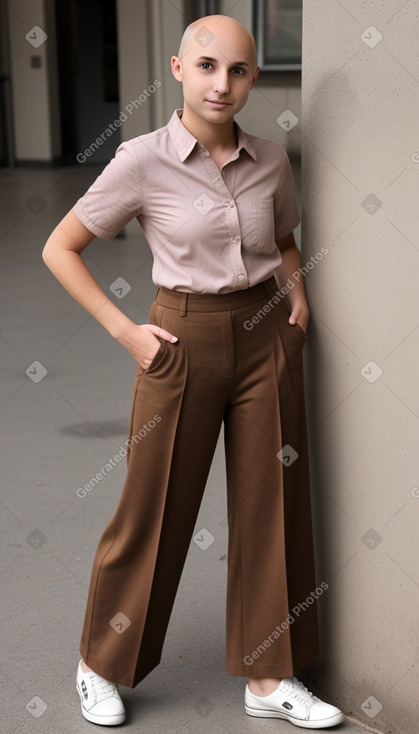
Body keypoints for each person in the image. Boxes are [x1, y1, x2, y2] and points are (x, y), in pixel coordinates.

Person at [42, 14, 343, 730]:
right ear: (177, 71)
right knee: (155, 508)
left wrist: (297, 296)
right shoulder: (141, 160)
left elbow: (283, 237)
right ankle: (100, 665)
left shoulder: (269, 157)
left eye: (238, 70)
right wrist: (127, 333)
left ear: (253, 80)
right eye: (207, 66)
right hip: (179, 338)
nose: (223, 83)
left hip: (265, 335)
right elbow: (61, 247)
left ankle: (269, 678)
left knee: (273, 503)